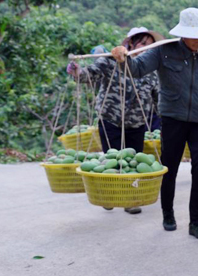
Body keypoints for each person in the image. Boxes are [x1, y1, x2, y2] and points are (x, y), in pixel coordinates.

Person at [111, 8, 198, 240]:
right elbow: (138, 68)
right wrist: (123, 57)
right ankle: (168, 213)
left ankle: (196, 222)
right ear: (183, 34)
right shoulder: (164, 52)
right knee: (169, 168)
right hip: (173, 118)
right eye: (197, 35)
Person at [67, 27, 163, 215]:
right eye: (142, 44)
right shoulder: (110, 62)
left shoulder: (151, 70)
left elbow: (158, 98)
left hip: (136, 123)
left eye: (150, 46)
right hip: (110, 119)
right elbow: (88, 76)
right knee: (112, 159)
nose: (145, 48)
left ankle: (130, 201)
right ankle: (109, 196)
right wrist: (76, 71)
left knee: (132, 161)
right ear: (131, 44)